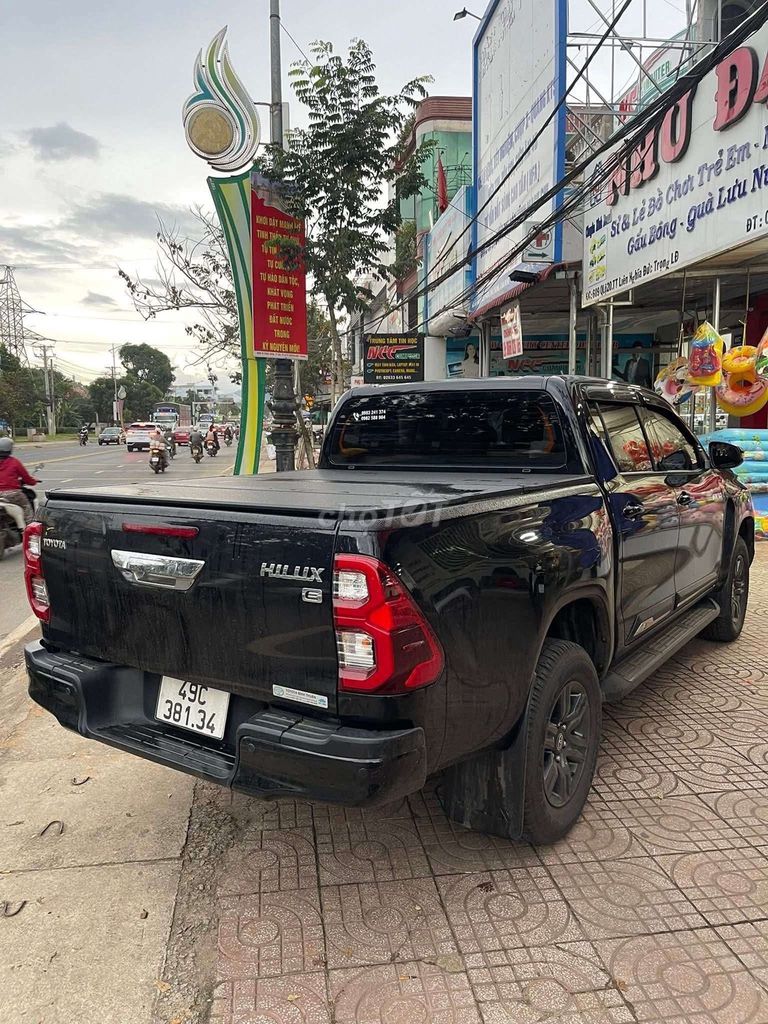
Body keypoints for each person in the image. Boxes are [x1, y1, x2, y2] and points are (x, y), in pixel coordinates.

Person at [0, 437, 39, 526]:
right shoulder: (14, 462)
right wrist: (33, 482)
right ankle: (31, 531)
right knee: (28, 512)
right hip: (13, 494)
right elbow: (27, 478)